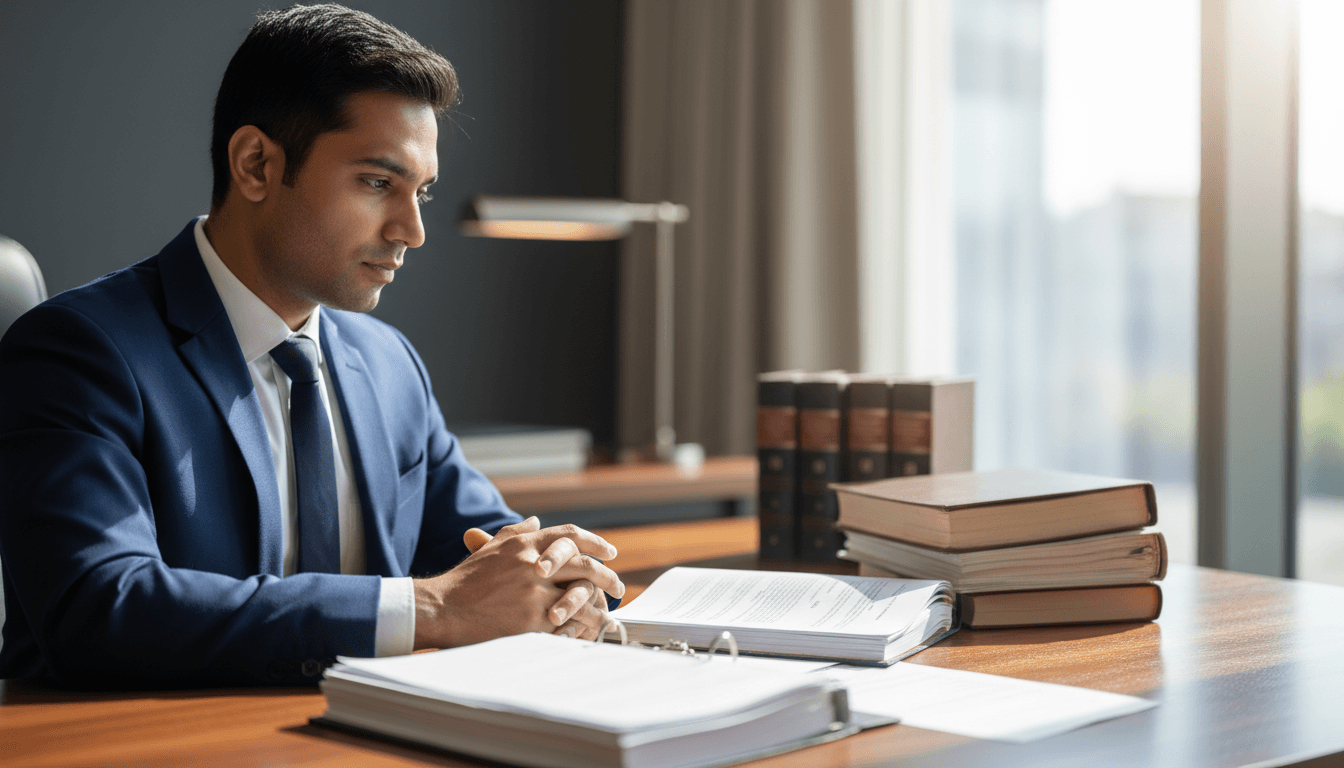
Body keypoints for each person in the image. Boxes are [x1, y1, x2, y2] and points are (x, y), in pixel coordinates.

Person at [0, 4, 623, 688]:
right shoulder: (80, 352)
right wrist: (430, 608)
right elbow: (99, 609)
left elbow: (491, 553)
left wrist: (560, 584)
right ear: (256, 164)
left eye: (422, 192)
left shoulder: (390, 366)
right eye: (379, 183)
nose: (412, 231)